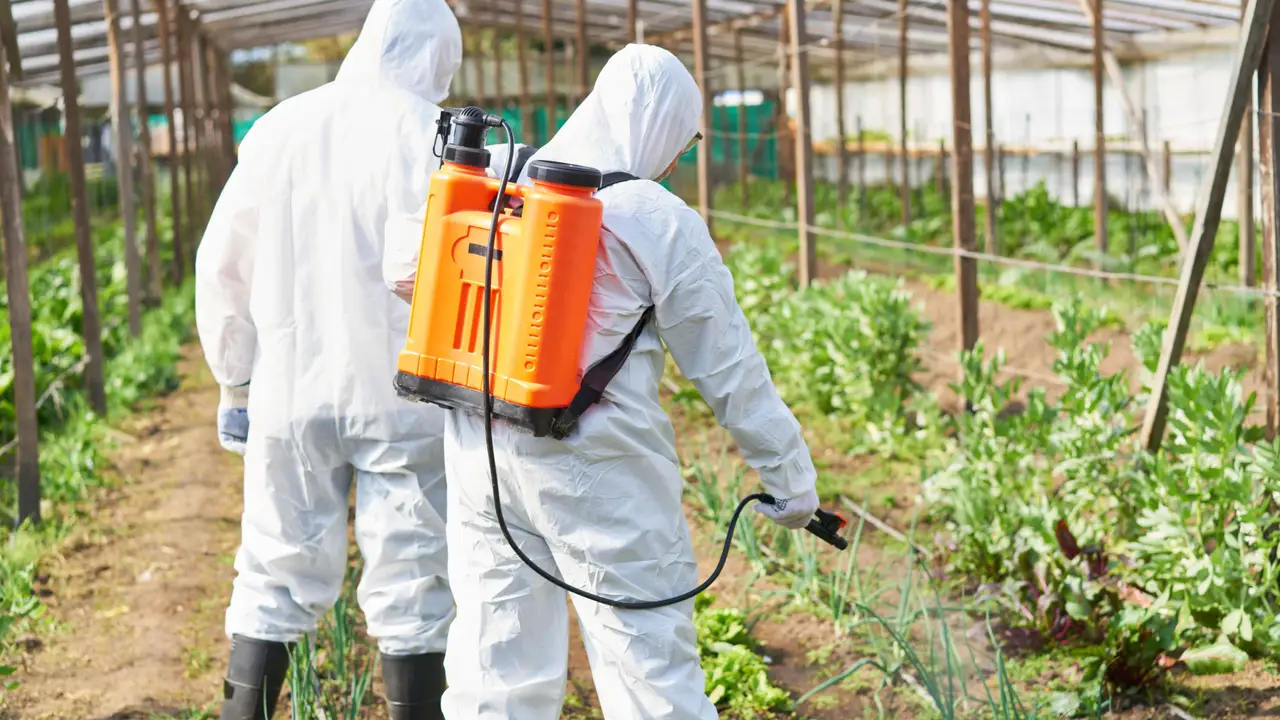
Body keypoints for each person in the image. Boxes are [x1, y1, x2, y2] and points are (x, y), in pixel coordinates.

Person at [389, 44, 820, 719]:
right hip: (599, 476)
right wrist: (791, 482)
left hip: (483, 456)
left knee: (495, 670)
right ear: (660, 128)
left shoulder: (504, 177)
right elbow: (731, 373)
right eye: (684, 141)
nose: (678, 159)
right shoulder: (658, 218)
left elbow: (401, 269)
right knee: (649, 679)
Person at [194, 1, 462, 718]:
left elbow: (222, 263)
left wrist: (235, 381)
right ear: (437, 56)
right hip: (406, 403)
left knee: (271, 573)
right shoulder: (436, 136)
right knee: (414, 585)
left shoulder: (282, 126)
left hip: (290, 396)